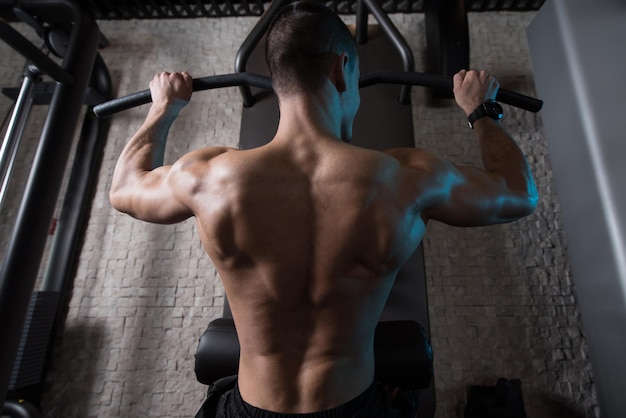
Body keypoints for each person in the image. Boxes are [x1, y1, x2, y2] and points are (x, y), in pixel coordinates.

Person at [110, 1, 538, 417]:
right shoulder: (408, 178)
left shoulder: (207, 177)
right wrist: (483, 110)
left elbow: (125, 188)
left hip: (249, 407)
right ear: (341, 69)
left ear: (277, 80)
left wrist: (163, 108)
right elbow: (519, 193)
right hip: (355, 406)